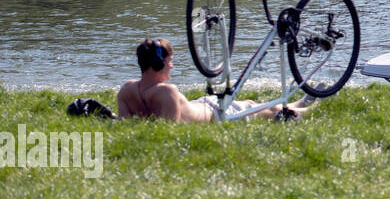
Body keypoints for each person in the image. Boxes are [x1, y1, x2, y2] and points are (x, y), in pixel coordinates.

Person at [117, 39, 316, 122]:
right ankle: (308, 109)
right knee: (255, 107)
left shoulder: (126, 89)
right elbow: (172, 129)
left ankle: (297, 103)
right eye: (170, 61)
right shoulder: (166, 91)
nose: (172, 66)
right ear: (158, 64)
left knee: (252, 104)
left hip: (203, 104)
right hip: (215, 114)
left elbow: (125, 124)